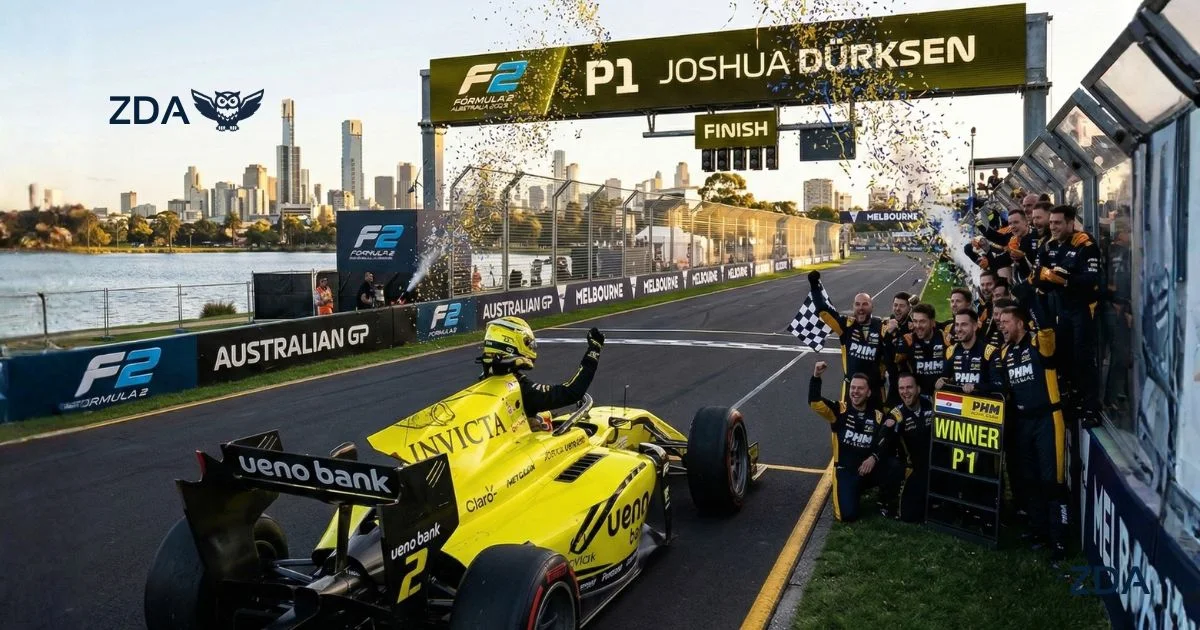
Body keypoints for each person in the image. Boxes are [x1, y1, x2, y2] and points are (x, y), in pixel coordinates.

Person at [994, 305, 1068, 563]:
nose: (1001, 326)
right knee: (1029, 480)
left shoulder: (1039, 342)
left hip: (1048, 418)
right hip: (1022, 423)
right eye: (999, 321)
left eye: (1006, 321)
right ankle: (1039, 532)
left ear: (1020, 323)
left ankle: (1060, 539)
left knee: (1052, 480)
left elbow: (1046, 325)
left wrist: (1032, 298)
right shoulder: (1004, 352)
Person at [808, 361, 900, 522]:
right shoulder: (839, 410)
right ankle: (851, 490)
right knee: (847, 515)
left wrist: (874, 457)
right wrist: (816, 376)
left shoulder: (877, 416)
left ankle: (884, 499)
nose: (855, 392)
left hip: (869, 468)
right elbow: (815, 403)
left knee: (895, 465)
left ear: (869, 393)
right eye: (853, 388)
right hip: (846, 471)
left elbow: (887, 441)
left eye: (860, 388)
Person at [1035, 205, 1103, 424]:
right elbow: (1038, 277)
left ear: (1070, 223)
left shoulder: (1085, 244)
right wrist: (1044, 279)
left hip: (1083, 308)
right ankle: (1074, 400)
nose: (1053, 227)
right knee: (1064, 355)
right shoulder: (1048, 245)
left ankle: (1092, 407)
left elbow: (1091, 280)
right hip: (1061, 309)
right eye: (1051, 222)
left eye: (1058, 223)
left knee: (1083, 357)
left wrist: (1065, 280)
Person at [477, 316, 606, 429]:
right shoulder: (520, 390)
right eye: (527, 342)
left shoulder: (483, 381)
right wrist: (593, 351)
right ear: (510, 343)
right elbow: (571, 392)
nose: (531, 347)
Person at [808, 270, 892, 404]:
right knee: (846, 424)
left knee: (878, 424)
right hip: (850, 390)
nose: (861, 308)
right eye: (857, 304)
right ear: (853, 306)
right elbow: (823, 311)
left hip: (876, 391)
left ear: (872, 306)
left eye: (865, 304)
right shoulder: (846, 326)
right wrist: (814, 285)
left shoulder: (883, 327)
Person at [880, 373, 934, 523]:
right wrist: (887, 426)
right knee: (909, 516)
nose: (905, 392)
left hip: (937, 464)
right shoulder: (897, 413)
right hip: (914, 469)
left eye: (909, 387)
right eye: (901, 388)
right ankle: (889, 499)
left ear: (918, 389)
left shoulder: (931, 403)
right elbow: (885, 432)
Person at [937, 309, 998, 394]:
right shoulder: (951, 350)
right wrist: (942, 381)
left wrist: (975, 386)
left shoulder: (989, 351)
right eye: (957, 325)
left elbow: (999, 386)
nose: (959, 329)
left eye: (964, 325)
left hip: (980, 404)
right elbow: (945, 378)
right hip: (957, 404)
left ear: (975, 326)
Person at [893, 302, 949, 396]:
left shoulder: (945, 339)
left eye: (922, 321)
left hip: (943, 397)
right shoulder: (908, 340)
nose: (918, 326)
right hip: (918, 398)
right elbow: (896, 368)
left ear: (932, 322)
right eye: (915, 321)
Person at [884, 292, 915, 407]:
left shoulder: (914, 328)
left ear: (909, 308)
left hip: (909, 384)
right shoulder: (887, 324)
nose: (897, 309)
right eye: (895, 305)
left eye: (901, 306)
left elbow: (897, 356)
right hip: (890, 382)